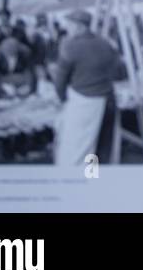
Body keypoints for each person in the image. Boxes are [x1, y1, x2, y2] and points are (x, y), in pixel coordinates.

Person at [52, 10, 127, 166]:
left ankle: (82, 182)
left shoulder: (70, 46)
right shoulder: (105, 44)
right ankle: (95, 180)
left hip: (85, 102)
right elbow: (119, 73)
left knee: (80, 148)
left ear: (79, 26)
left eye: (70, 25)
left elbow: (60, 82)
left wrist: (63, 100)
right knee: (101, 146)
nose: (68, 28)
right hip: (108, 100)